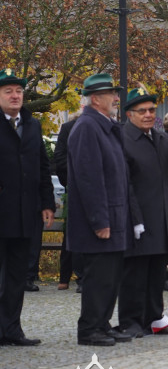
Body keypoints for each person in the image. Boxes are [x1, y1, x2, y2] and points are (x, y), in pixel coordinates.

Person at [66, 73, 133, 346]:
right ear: (96, 99)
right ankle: (90, 329)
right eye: (111, 94)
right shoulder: (87, 128)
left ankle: (102, 325)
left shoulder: (105, 126)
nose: (116, 98)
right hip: (99, 221)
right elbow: (89, 179)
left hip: (114, 216)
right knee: (98, 278)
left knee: (110, 277)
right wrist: (99, 220)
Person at [0, 69, 55, 346]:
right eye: (8, 91)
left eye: (19, 91)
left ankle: (12, 330)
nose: (15, 95)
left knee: (17, 276)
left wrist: (47, 203)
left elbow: (42, 168)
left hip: (24, 214)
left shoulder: (32, 126)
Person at [119, 87, 168, 337]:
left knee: (156, 272)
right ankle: (130, 320)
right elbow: (125, 183)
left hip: (160, 216)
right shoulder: (123, 139)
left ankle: (153, 315)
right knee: (135, 272)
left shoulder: (161, 139)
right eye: (142, 111)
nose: (149, 114)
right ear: (130, 114)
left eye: (152, 110)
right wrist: (134, 218)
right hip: (137, 216)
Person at [53, 98, 85, 292]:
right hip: (74, 188)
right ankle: (71, 276)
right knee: (73, 233)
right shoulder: (68, 128)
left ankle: (85, 277)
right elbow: (60, 158)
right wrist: (70, 182)